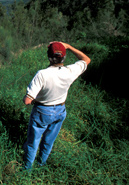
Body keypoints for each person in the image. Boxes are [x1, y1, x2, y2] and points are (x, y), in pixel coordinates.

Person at [22, 42, 91, 170]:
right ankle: (41, 164)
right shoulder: (70, 71)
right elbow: (86, 59)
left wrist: (28, 97)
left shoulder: (42, 74)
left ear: (49, 56)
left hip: (42, 111)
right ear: (63, 57)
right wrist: (69, 47)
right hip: (60, 111)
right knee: (49, 141)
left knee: (33, 143)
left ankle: (27, 170)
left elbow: (27, 101)